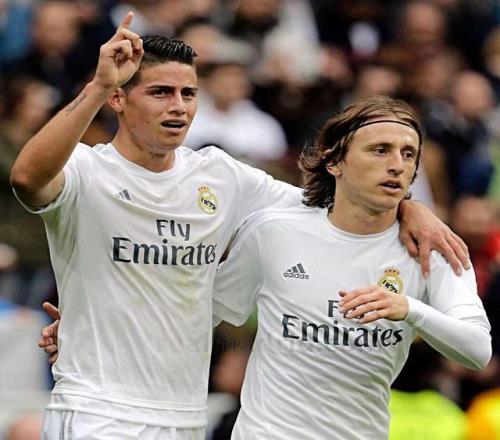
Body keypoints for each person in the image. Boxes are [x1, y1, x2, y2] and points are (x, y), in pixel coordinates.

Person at [23, 13, 468, 440]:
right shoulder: (85, 170)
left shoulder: (221, 175)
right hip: (98, 409)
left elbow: (332, 208)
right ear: (119, 99)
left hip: (184, 414)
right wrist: (98, 86)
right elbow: (26, 179)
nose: (178, 107)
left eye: (189, 94)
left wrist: (409, 208)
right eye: (160, 92)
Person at [211, 96, 491, 439]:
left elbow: (478, 351)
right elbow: (212, 311)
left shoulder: (432, 251)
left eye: (408, 154)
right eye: (380, 150)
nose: (397, 165)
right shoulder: (273, 230)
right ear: (334, 162)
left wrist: (409, 309)